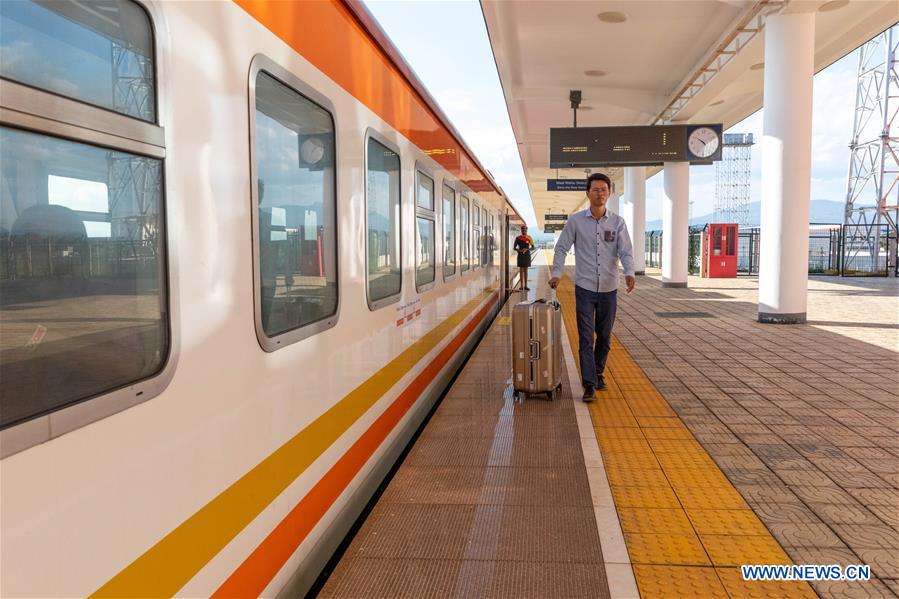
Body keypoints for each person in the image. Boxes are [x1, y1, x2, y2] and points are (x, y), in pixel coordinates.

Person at [549, 173, 636, 401]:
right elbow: (561, 248)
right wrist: (557, 273)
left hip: (609, 288)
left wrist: (629, 272)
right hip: (585, 287)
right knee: (586, 337)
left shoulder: (618, 223)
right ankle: (589, 384)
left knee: (605, 336)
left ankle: (598, 373)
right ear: (587, 193)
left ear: (609, 193)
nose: (600, 193)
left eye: (604, 190)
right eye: (596, 189)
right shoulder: (576, 221)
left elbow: (625, 251)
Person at [513, 225, 535, 291]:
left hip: (527, 255)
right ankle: (521, 286)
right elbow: (514, 248)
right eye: (523, 230)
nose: (524, 231)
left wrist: (527, 249)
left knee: (526, 271)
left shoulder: (529, 238)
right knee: (521, 271)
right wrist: (520, 250)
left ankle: (526, 286)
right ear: (521, 230)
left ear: (526, 230)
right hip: (520, 255)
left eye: (525, 230)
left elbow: (533, 247)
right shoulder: (518, 238)